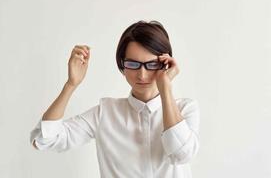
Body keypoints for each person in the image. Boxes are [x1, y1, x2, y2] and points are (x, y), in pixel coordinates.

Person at [30, 20, 200, 177]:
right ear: (122, 65)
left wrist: (166, 88)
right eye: (133, 64)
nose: (142, 74)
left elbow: (181, 155)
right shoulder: (105, 113)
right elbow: (43, 140)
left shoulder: (185, 109)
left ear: (166, 63)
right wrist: (71, 84)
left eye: (152, 64)